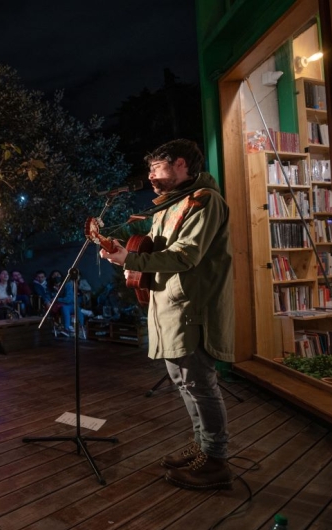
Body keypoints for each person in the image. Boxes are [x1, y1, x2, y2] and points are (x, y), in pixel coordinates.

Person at [100, 139, 234, 491]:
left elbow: (184, 256)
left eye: (156, 169)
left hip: (192, 308)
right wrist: (122, 249)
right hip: (170, 308)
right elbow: (157, 249)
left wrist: (128, 260)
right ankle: (202, 446)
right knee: (183, 383)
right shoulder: (171, 204)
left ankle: (216, 459)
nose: (150, 177)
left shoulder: (204, 202)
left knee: (201, 385)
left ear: (179, 164)